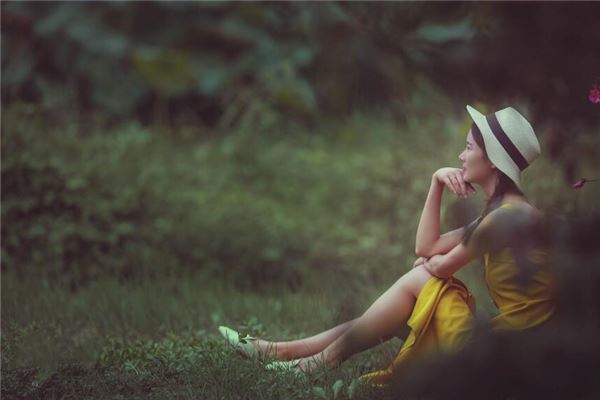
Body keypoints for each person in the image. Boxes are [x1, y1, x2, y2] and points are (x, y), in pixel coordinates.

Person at [218, 104, 558, 387]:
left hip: (509, 356)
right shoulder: (502, 214)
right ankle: (286, 353)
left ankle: (309, 361)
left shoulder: (506, 218)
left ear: (493, 160)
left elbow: (438, 265)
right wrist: (436, 183)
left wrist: (428, 266)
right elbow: (427, 246)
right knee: (406, 300)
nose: (460, 155)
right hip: (511, 349)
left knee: (424, 279)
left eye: (468, 147)